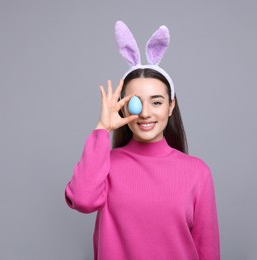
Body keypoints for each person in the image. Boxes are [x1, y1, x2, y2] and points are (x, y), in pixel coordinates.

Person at [65, 21, 220, 260]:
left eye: (156, 102)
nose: (146, 113)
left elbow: (207, 250)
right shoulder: (106, 165)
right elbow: (83, 200)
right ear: (124, 108)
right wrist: (102, 129)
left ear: (171, 106)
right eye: (136, 103)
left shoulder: (197, 173)